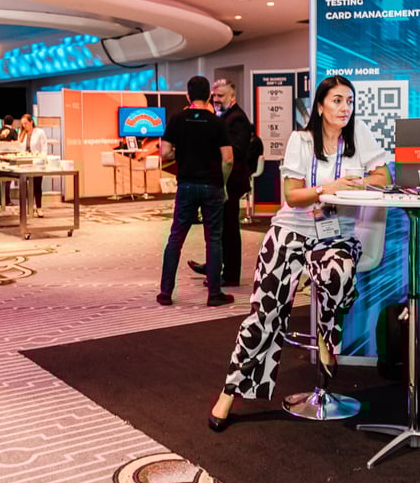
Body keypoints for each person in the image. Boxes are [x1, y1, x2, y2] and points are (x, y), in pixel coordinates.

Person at [208, 75, 389, 430]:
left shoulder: (360, 135)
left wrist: (356, 183)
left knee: (339, 272)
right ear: (320, 106)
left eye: (349, 101)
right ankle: (229, 393)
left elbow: (383, 177)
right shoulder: (301, 140)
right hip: (292, 229)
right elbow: (293, 195)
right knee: (265, 313)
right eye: (337, 100)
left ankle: (327, 335)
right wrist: (327, 188)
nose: (345, 108)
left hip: (336, 235)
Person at [157, 76, 233, 307]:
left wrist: (181, 153)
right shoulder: (217, 122)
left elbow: (164, 153)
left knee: (176, 238)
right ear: (209, 96)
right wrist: (224, 184)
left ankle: (165, 293)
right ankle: (214, 293)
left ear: (188, 96)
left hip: (186, 185)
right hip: (212, 186)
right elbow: (228, 159)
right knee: (214, 239)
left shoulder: (177, 119)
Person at [186, 78, 252, 287]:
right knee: (218, 228)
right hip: (218, 180)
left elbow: (236, 151)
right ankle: (214, 265)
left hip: (231, 182)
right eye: (214, 95)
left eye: (220, 96)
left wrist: (212, 148)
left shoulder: (237, 119)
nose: (215, 99)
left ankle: (231, 275)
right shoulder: (221, 117)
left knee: (229, 228)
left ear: (232, 97)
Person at [17, 113, 48, 216]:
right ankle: (28, 207)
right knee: (25, 186)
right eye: (22, 124)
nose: (24, 125)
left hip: (37, 162)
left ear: (31, 122)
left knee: (37, 185)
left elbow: (44, 147)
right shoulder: (21, 133)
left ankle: (39, 208)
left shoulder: (40, 132)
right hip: (24, 163)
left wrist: (42, 158)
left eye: (26, 123)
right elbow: (19, 148)